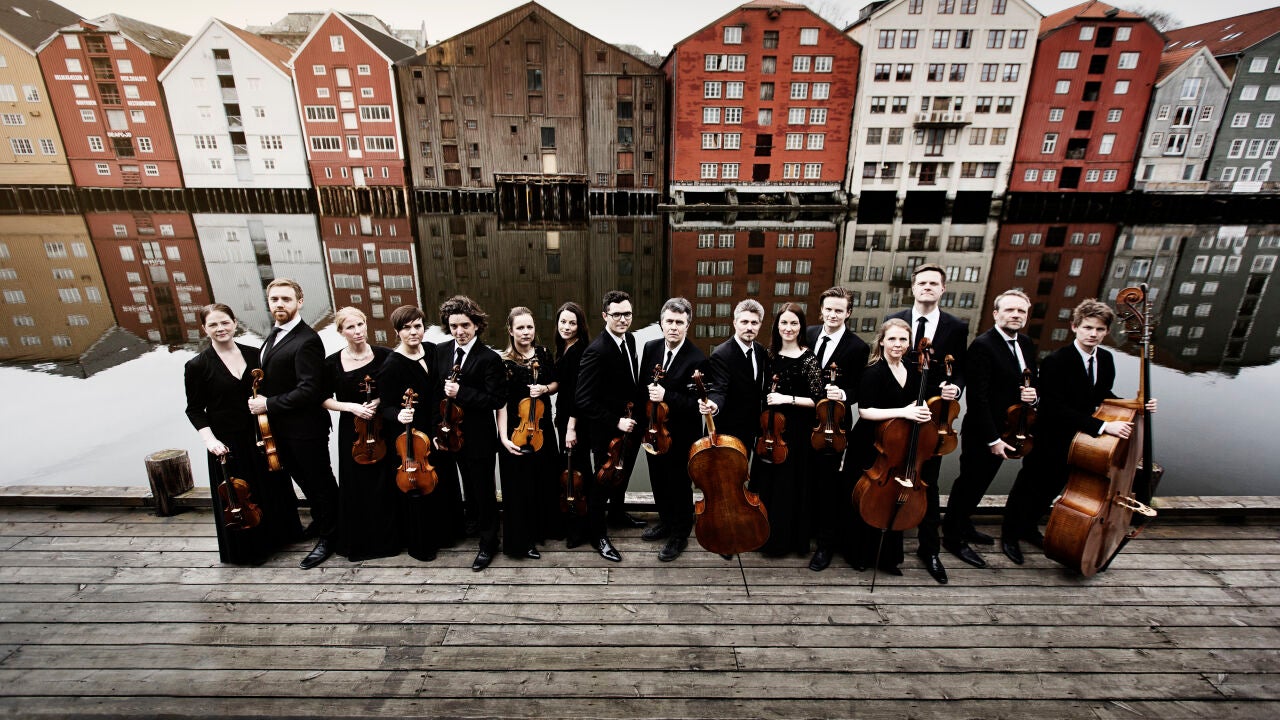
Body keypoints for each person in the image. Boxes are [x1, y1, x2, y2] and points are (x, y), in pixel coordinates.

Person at [1000, 298, 1157, 564]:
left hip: (1081, 439)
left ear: (1106, 332)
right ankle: (1009, 535)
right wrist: (1104, 426)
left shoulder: (1105, 359)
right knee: (1030, 487)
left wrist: (1135, 404)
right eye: (1087, 327)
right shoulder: (1056, 361)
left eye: (1099, 329)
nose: (1093, 334)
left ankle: (1028, 527)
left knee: (1053, 488)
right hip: (1051, 437)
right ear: (1075, 327)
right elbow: (1054, 407)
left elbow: (1101, 395)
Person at [184, 304, 298, 565]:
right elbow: (194, 409)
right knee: (239, 495)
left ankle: (281, 539)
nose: (220, 328)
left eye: (225, 322)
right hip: (227, 441)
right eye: (213, 325)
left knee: (270, 485)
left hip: (260, 433)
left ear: (235, 323)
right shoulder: (197, 365)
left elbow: (272, 392)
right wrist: (210, 440)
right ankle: (250, 550)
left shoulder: (255, 355)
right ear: (204, 329)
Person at [942, 290, 1039, 570]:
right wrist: (992, 439)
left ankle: (964, 525)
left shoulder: (1026, 343)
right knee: (968, 483)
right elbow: (978, 399)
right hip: (985, 432)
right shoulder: (983, 346)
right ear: (996, 314)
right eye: (1010, 310)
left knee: (982, 483)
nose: (1016, 315)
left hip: (1010, 429)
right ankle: (952, 537)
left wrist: (1033, 396)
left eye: (1021, 311)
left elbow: (1030, 380)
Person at [247, 279, 339, 570]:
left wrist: (268, 404)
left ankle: (332, 537)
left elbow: (309, 390)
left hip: (306, 429)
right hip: (281, 429)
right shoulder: (274, 334)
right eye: (274, 299)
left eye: (286, 299)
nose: (279, 304)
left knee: (320, 483)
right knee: (303, 481)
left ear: (299, 302)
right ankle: (323, 521)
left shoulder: (307, 339)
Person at [886, 263, 967, 585]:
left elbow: (960, 369)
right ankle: (888, 544)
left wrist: (955, 387)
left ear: (943, 289)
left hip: (933, 416)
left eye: (934, 283)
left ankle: (929, 549)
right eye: (922, 283)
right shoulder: (896, 319)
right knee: (893, 473)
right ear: (913, 287)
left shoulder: (955, 327)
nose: (928, 287)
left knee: (928, 481)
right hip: (899, 413)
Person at [848, 318, 932, 576]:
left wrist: (924, 410)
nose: (897, 344)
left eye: (903, 339)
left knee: (891, 496)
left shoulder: (913, 370)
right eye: (892, 338)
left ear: (909, 344)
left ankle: (887, 557)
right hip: (871, 444)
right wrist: (904, 412)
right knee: (867, 499)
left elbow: (916, 405)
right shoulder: (873, 371)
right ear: (882, 341)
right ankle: (859, 554)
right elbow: (865, 411)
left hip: (897, 444)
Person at [434, 295, 506, 571]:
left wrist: (461, 392)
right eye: (453, 326)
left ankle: (489, 542)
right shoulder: (440, 351)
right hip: (450, 434)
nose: (459, 331)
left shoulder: (489, 358)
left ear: (476, 325)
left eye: (465, 325)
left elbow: (495, 400)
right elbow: (435, 395)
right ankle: (472, 523)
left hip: (478, 438)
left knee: (484, 489)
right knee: (465, 484)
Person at [321, 307, 398, 562]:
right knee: (356, 483)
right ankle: (361, 540)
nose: (357, 331)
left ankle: (390, 539)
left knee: (385, 480)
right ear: (341, 332)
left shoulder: (386, 355)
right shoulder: (332, 362)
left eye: (360, 325)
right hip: (352, 430)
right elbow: (323, 399)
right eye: (350, 327)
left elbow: (396, 388)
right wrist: (351, 407)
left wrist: (378, 401)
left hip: (382, 426)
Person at [377, 305, 452, 562]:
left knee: (442, 479)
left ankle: (447, 533)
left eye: (417, 326)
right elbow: (386, 406)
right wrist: (398, 415)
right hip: (413, 437)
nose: (413, 332)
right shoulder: (391, 365)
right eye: (406, 328)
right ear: (397, 332)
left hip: (436, 428)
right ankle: (423, 540)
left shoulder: (432, 350)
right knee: (419, 487)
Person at [575, 290, 646, 562]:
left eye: (627, 314)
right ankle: (598, 536)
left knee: (623, 475)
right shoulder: (596, 351)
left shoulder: (630, 339)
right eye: (617, 315)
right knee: (601, 483)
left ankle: (617, 514)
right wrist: (616, 421)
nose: (623, 319)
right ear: (605, 315)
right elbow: (583, 400)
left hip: (630, 426)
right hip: (607, 431)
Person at [749, 302, 822, 557]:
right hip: (769, 431)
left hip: (795, 433)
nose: (788, 328)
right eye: (784, 323)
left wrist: (787, 399)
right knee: (766, 483)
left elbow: (818, 400)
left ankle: (784, 542)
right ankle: (761, 534)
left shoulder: (808, 358)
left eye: (794, 323)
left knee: (787, 487)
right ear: (776, 326)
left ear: (801, 327)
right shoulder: (768, 354)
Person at [637, 297, 707, 562]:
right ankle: (666, 522)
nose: (674, 327)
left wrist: (666, 395)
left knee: (678, 484)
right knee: (657, 479)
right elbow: (642, 386)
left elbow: (695, 405)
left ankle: (680, 534)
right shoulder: (651, 347)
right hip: (653, 429)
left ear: (688, 325)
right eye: (669, 321)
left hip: (681, 434)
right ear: (661, 323)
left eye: (679, 322)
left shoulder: (697, 359)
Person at [805, 287, 870, 572]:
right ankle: (803, 532)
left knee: (829, 485)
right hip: (804, 420)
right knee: (805, 479)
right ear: (822, 310)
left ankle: (826, 544)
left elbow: (859, 389)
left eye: (839, 310)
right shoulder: (807, 334)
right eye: (828, 309)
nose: (833, 315)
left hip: (834, 426)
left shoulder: (858, 347)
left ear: (848, 313)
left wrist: (843, 394)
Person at [495, 306, 560, 561]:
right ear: (510, 331)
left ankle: (543, 529)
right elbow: (500, 403)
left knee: (544, 479)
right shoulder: (503, 362)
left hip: (542, 428)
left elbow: (555, 383)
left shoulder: (543, 353)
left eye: (529, 327)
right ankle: (522, 541)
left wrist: (544, 389)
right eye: (520, 328)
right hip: (516, 430)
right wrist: (503, 438)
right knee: (520, 487)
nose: (526, 332)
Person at [703, 299, 769, 449]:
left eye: (754, 323)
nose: (749, 327)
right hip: (728, 431)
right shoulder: (721, 354)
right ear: (735, 323)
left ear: (760, 325)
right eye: (744, 322)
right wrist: (714, 404)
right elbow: (719, 389)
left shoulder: (760, 350)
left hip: (751, 427)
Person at [553, 301, 592, 547]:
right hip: (564, 418)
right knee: (568, 472)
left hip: (576, 422)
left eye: (572, 323)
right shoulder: (564, 347)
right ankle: (570, 522)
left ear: (580, 326)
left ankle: (581, 529)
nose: (567, 327)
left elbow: (580, 393)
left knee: (578, 472)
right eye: (563, 322)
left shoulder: (581, 351)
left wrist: (571, 427)